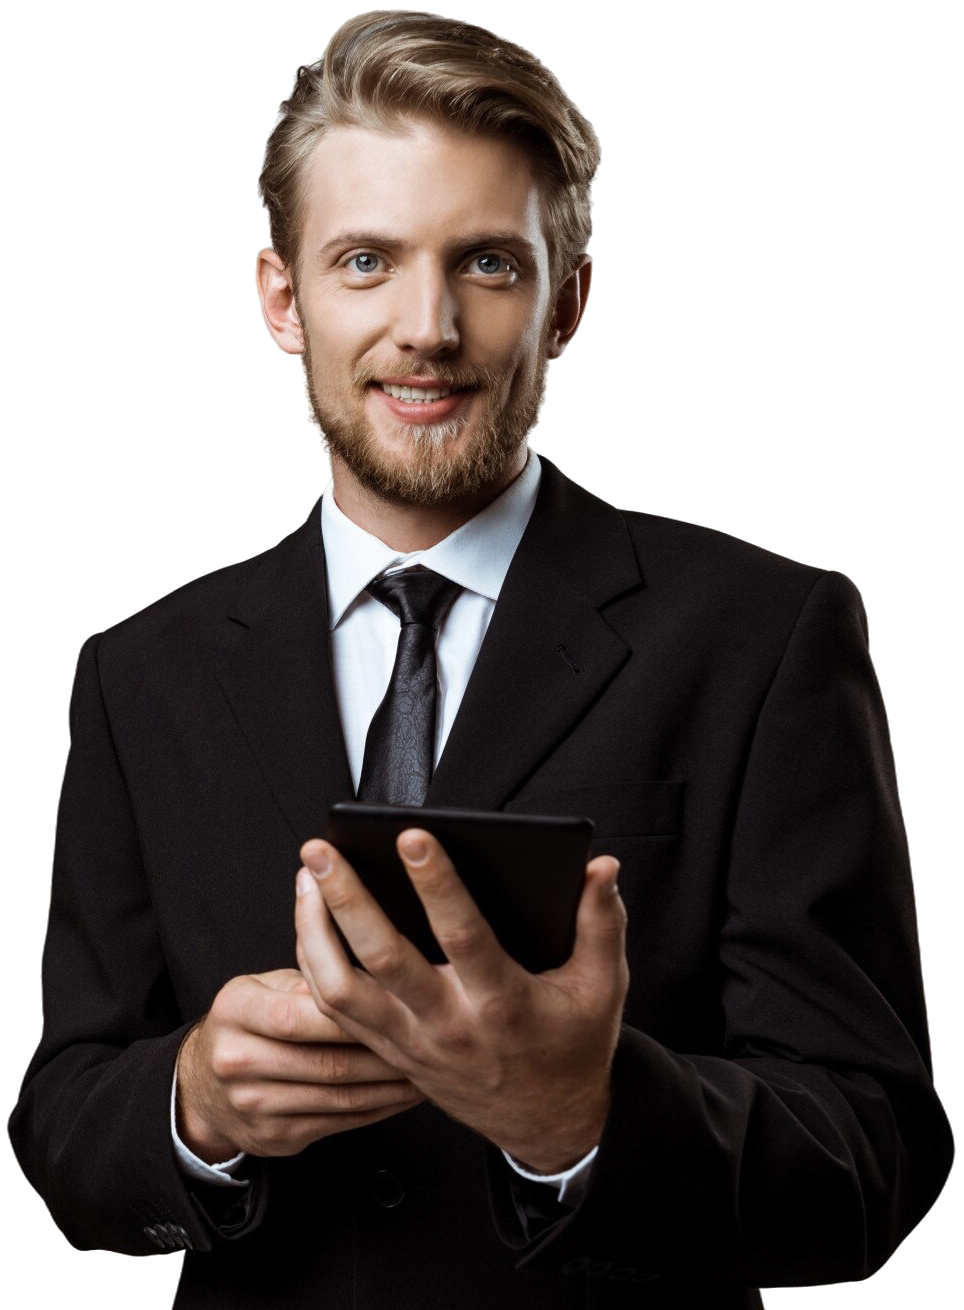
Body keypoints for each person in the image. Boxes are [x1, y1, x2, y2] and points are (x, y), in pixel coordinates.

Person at [9, 11, 951, 1309]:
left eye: (489, 264)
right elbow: (60, 1131)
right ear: (280, 300)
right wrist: (194, 1106)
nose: (429, 327)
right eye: (365, 261)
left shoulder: (768, 636)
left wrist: (582, 1115)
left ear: (571, 303)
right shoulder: (137, 671)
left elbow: (876, 1161)